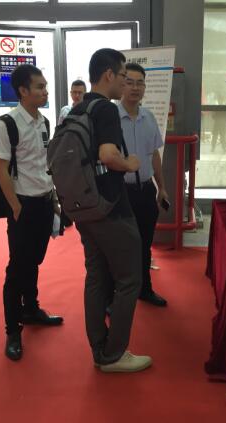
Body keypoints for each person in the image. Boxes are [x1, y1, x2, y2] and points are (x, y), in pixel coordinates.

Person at [71, 48, 151, 373]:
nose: (124, 82)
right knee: (129, 278)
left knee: (96, 277)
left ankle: (99, 350)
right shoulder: (105, 108)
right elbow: (107, 155)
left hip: (84, 206)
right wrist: (130, 163)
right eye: (122, 76)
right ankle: (114, 353)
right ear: (108, 75)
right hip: (110, 206)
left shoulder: (78, 108)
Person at [0, 64, 63, 361]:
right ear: (23, 90)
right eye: (39, 87)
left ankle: (31, 309)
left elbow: (45, 164)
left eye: (45, 86)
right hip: (23, 205)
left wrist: (54, 198)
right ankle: (13, 330)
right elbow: (1, 168)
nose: (45, 91)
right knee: (17, 268)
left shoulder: (43, 121)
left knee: (34, 260)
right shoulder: (6, 124)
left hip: (44, 201)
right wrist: (16, 206)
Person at [118, 62, 168, 307]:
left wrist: (162, 187)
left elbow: (154, 154)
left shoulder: (149, 117)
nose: (135, 88)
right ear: (121, 84)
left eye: (140, 83)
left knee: (145, 243)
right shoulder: (110, 118)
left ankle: (144, 289)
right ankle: (115, 295)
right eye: (129, 82)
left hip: (146, 190)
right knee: (119, 247)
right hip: (120, 191)